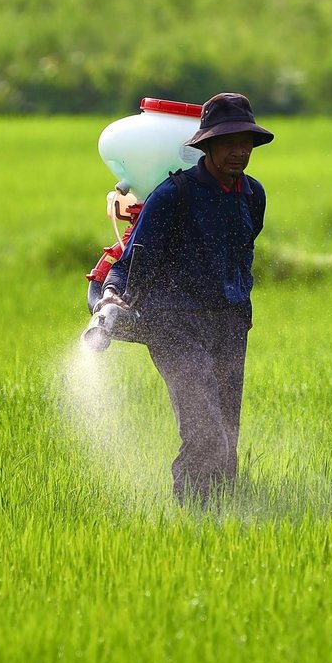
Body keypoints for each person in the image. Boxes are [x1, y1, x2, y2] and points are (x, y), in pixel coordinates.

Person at [99, 93, 271, 505]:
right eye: (228, 142)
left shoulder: (252, 194)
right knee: (205, 429)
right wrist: (111, 294)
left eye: (246, 142)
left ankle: (226, 511)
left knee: (227, 429)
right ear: (206, 145)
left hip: (230, 322)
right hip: (174, 324)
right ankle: (193, 514)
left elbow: (240, 256)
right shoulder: (174, 194)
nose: (239, 151)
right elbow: (132, 257)